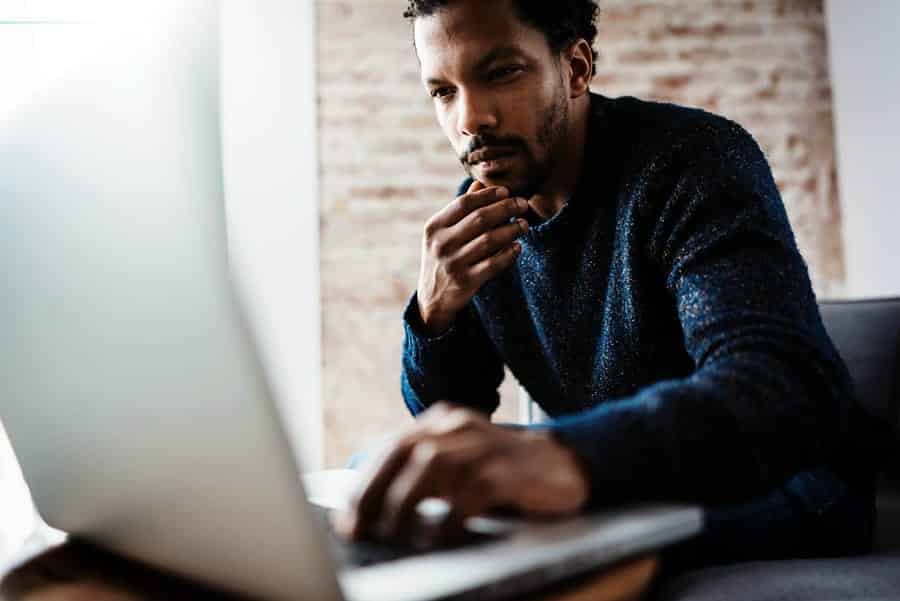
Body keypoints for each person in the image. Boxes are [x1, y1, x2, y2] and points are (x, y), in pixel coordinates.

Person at [337, 0, 891, 573]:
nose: (470, 120)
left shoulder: (690, 161)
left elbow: (783, 385)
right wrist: (435, 315)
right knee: (371, 475)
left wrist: (567, 456)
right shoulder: (478, 218)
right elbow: (450, 419)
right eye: (442, 92)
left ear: (575, 69)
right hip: (620, 474)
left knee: (516, 541)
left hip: (795, 483)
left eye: (500, 73)